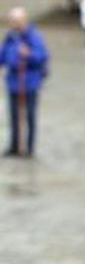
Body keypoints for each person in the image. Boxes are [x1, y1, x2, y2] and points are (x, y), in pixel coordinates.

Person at [2, 8, 50, 158]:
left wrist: (29, 54)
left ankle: (29, 148)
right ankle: (14, 146)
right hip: (13, 82)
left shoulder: (34, 37)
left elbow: (42, 57)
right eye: (11, 21)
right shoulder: (10, 36)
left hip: (29, 82)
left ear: (24, 21)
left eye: (15, 21)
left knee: (29, 115)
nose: (13, 24)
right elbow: (3, 55)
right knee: (14, 116)